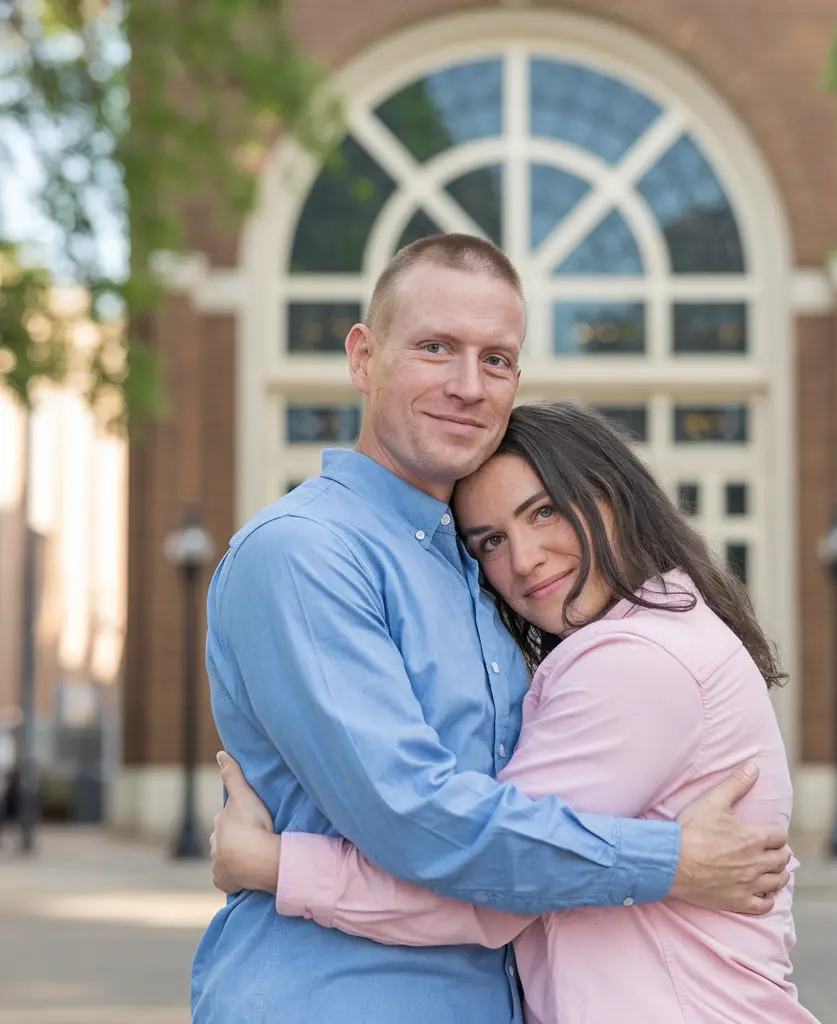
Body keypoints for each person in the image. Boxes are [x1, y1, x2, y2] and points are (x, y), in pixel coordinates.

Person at [191, 235, 792, 1023]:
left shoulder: (475, 573)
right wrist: (669, 859)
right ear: (364, 357)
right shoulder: (305, 553)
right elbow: (416, 819)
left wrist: (271, 863)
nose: (468, 385)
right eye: (435, 348)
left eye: (497, 359)